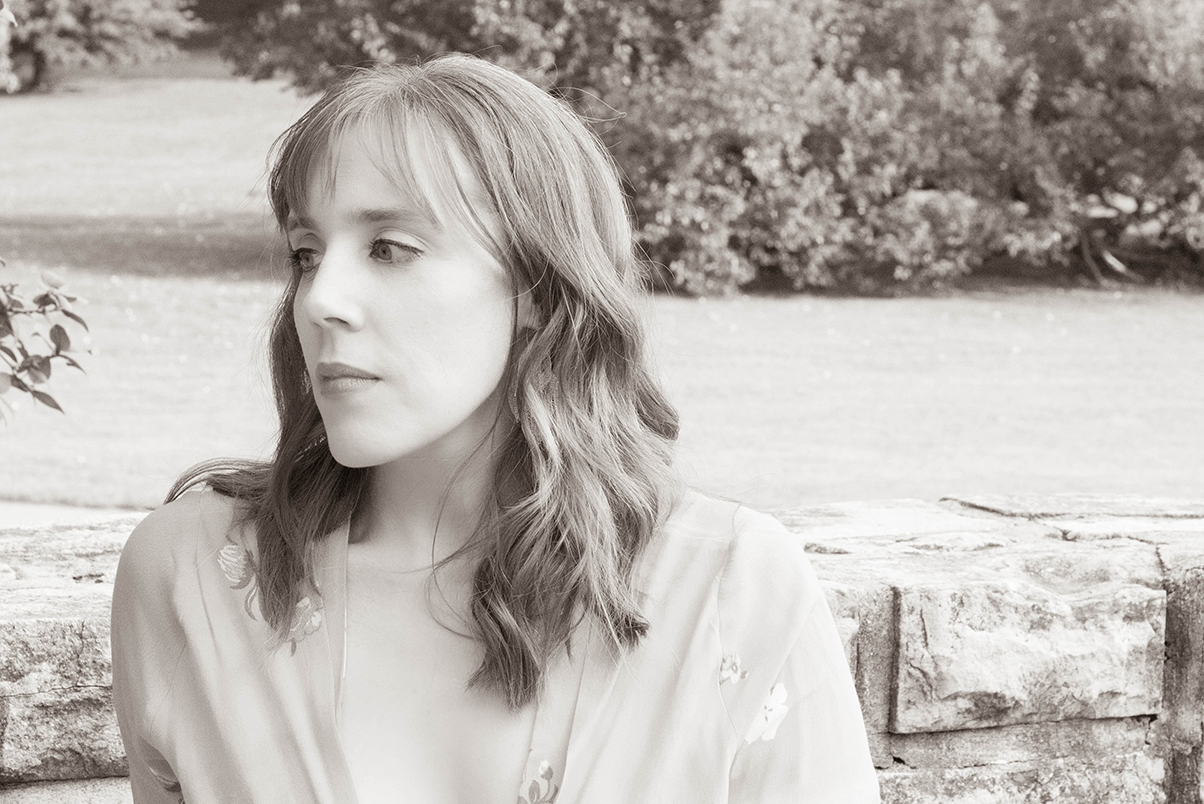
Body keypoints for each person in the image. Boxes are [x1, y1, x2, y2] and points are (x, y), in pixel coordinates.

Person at [110, 54, 880, 804]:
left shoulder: (729, 593)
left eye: (390, 248)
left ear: (536, 289)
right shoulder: (192, 578)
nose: (320, 299)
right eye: (306, 253)